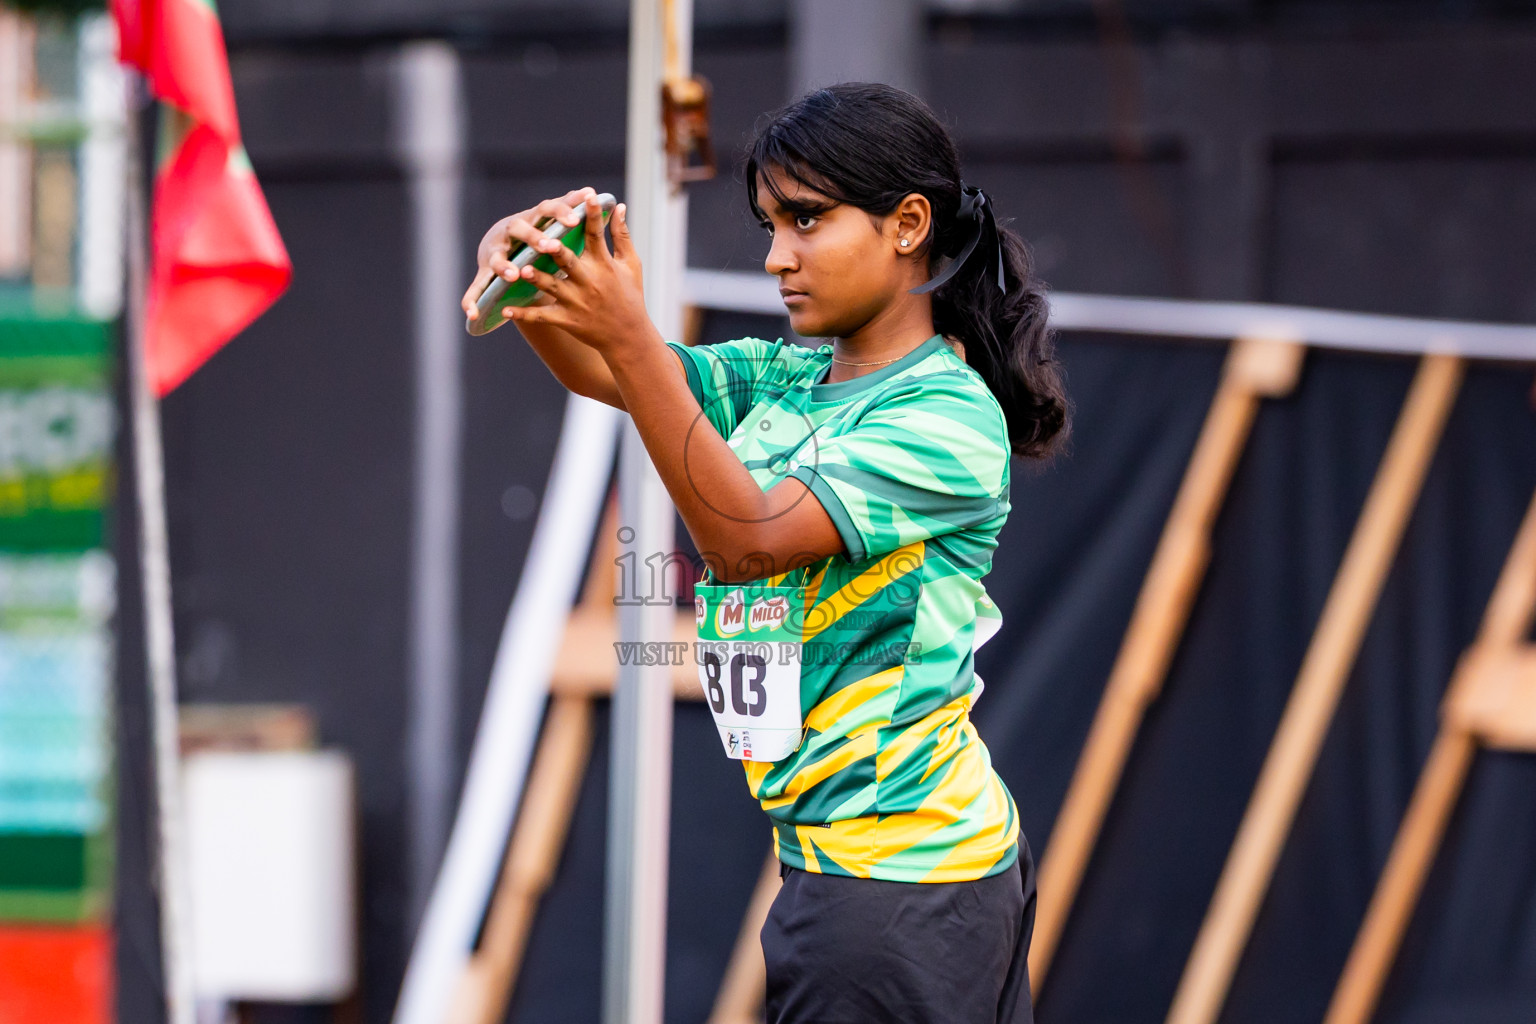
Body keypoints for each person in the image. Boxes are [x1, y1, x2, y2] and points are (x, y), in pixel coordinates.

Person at [460, 81, 1069, 1024]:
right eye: (770, 225)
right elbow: (618, 375)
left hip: (902, 885)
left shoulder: (946, 415)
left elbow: (746, 545)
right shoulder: (784, 375)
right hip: (846, 871)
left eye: (807, 220)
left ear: (908, 224)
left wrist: (628, 331)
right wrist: (536, 284)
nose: (778, 256)